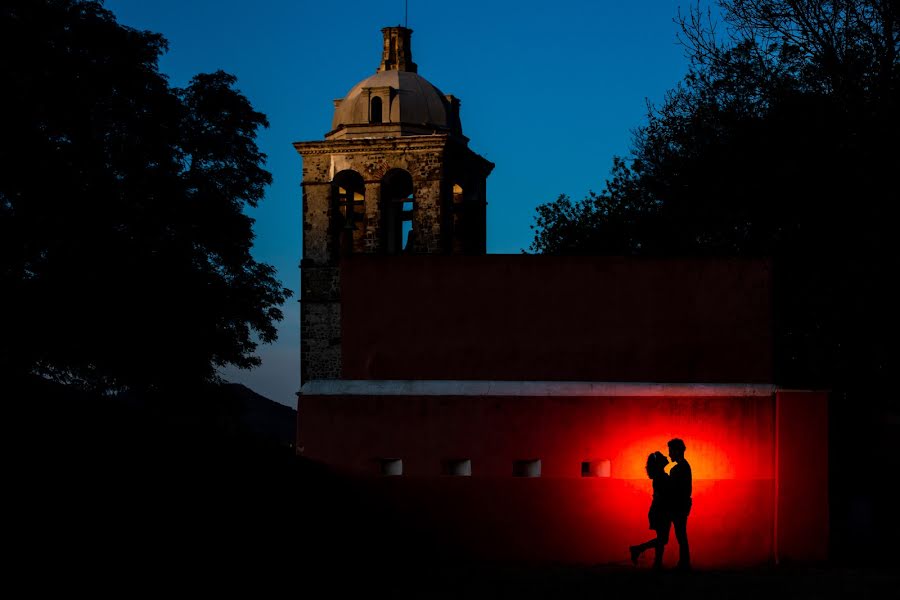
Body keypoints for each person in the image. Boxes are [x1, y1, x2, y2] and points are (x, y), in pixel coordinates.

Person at [629, 451, 671, 569]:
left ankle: (657, 563)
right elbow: (663, 496)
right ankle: (638, 549)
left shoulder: (660, 476)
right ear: (659, 463)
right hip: (661, 511)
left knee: (661, 538)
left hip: (658, 510)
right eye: (663, 457)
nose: (666, 457)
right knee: (663, 539)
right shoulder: (662, 477)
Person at [667, 437, 692, 571]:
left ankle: (684, 563)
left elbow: (673, 489)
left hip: (678, 506)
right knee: (681, 534)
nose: (669, 454)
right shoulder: (685, 466)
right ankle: (684, 562)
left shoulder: (677, 469)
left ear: (677, 451)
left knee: (680, 534)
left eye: (671, 451)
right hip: (683, 505)